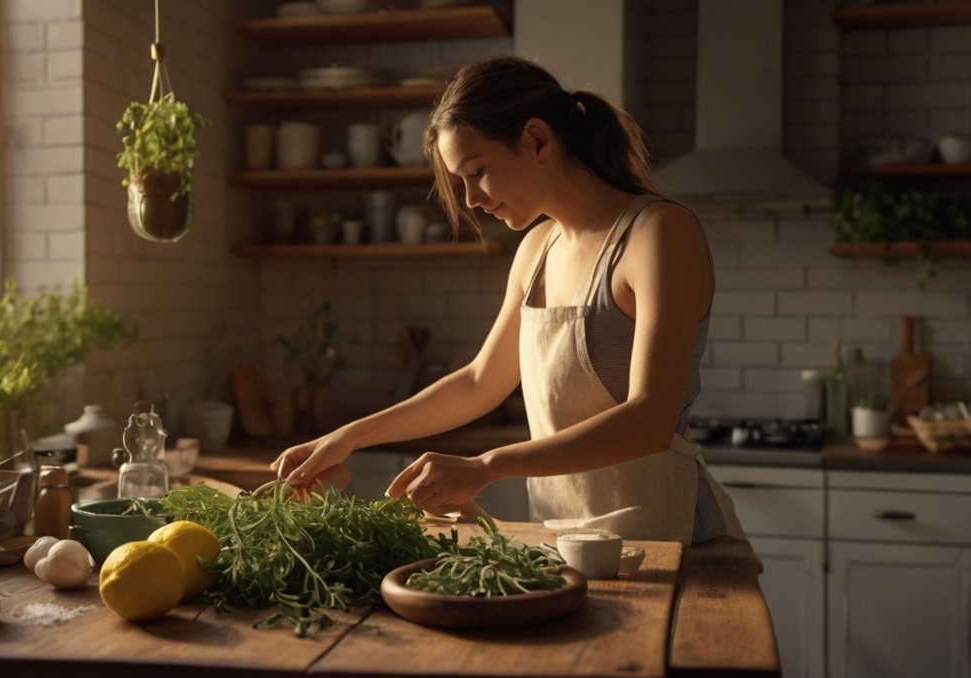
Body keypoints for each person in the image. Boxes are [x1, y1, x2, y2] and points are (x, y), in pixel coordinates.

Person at [271, 56, 744, 546]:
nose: (472, 199)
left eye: (477, 172)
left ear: (537, 140)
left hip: (679, 542)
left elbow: (650, 420)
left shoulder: (657, 234)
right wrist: (347, 438)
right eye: (462, 182)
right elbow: (479, 382)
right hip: (569, 544)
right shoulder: (537, 249)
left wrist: (486, 466)